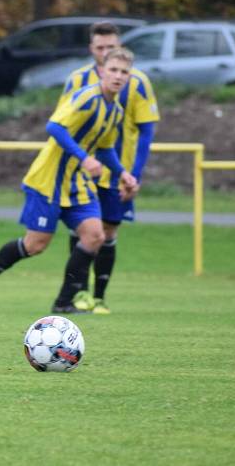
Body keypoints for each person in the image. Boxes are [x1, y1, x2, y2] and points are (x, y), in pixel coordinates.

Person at [0, 47, 138, 314]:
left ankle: (64, 302)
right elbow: (54, 127)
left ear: (129, 77)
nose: (118, 76)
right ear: (102, 71)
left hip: (76, 184)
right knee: (35, 245)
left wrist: (122, 173)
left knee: (95, 235)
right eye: (113, 69)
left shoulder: (116, 111)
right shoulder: (87, 98)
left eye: (124, 72)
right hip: (48, 180)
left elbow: (105, 148)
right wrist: (83, 158)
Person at [58, 22, 160, 314]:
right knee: (83, 231)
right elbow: (61, 123)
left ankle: (99, 297)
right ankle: (79, 295)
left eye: (110, 47)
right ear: (91, 49)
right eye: (100, 48)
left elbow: (146, 131)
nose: (105, 53)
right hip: (81, 172)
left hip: (117, 174)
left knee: (109, 233)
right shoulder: (77, 80)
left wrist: (133, 175)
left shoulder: (136, 82)